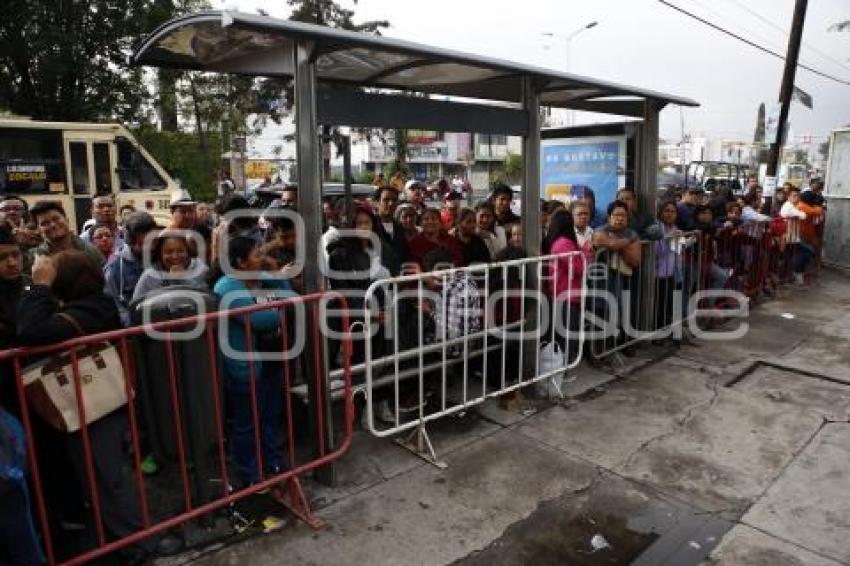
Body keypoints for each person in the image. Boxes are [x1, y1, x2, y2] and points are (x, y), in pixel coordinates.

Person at [17, 251, 153, 563]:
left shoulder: (91, 309)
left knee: (107, 479)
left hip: (97, 408)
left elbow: (31, 331)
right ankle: (121, 537)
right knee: (100, 478)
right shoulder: (90, 305)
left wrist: (38, 287)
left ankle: (137, 545)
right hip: (91, 406)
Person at [213, 236, 296, 487]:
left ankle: (273, 460)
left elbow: (290, 297)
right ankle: (250, 472)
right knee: (247, 423)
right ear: (240, 261)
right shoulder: (226, 287)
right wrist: (279, 308)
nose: (263, 256)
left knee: (270, 416)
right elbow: (260, 320)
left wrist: (277, 276)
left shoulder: (264, 279)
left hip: (272, 361)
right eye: (257, 254)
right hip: (245, 367)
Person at [542, 209, 584, 362]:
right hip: (566, 295)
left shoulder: (556, 242)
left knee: (563, 333)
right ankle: (564, 367)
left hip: (561, 294)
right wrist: (585, 250)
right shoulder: (564, 243)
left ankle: (562, 366)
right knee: (567, 334)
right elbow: (578, 268)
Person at [104, 212, 159, 327]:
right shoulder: (115, 268)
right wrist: (132, 325)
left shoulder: (163, 256)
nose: (152, 247)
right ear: (130, 243)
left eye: (154, 241)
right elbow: (114, 304)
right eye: (144, 244)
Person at [131, 231, 209, 302]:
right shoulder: (150, 276)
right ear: (160, 255)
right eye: (169, 252)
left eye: (180, 251)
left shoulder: (200, 269)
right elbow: (135, 305)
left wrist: (183, 279)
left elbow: (207, 299)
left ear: (187, 252)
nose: (175, 256)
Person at [29, 201, 104, 267]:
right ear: (38, 229)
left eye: (56, 219)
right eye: (45, 223)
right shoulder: (34, 258)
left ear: (67, 220)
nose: (53, 225)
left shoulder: (90, 251)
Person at [374, 187, 408, 274]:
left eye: (394, 200)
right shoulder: (371, 227)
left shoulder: (400, 228)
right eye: (386, 200)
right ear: (377, 202)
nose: (390, 203)